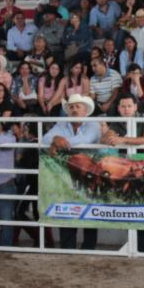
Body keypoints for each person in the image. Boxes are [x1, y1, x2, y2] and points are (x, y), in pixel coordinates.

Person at [41, 94, 100, 250]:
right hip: (66, 175)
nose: (74, 109)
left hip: (89, 174)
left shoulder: (94, 124)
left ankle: (88, 248)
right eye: (71, 107)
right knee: (67, 208)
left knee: (90, 211)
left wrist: (58, 142)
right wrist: (55, 139)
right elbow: (45, 139)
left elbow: (85, 140)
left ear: (85, 110)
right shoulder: (63, 123)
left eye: (77, 106)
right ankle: (68, 248)